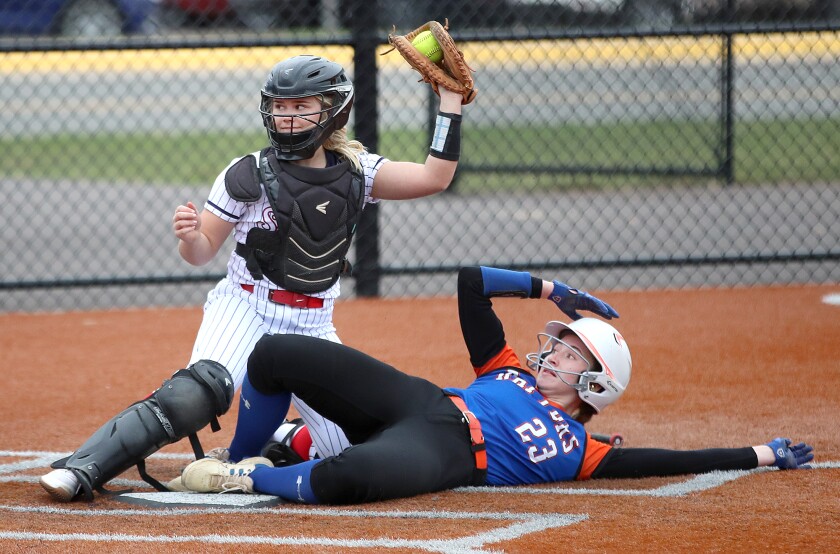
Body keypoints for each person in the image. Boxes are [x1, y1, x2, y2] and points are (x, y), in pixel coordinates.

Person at [39, 54, 470, 502]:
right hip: (247, 306)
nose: (287, 117)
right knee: (199, 392)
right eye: (280, 107)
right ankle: (82, 466)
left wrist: (451, 104)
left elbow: (434, 177)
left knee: (349, 448)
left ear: (335, 110)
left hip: (313, 322)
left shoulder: (358, 172)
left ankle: (275, 439)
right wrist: (189, 237)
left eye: (302, 106)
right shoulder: (248, 172)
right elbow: (202, 251)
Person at [176, 265, 815, 504]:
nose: (553, 349)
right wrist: (551, 290)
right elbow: (470, 282)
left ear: (594, 384)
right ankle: (247, 454)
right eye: (559, 341)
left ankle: (250, 477)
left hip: (451, 455)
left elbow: (671, 461)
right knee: (280, 351)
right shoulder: (506, 367)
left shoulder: (580, 449)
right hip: (424, 401)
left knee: (346, 482)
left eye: (569, 351)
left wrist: (758, 454)